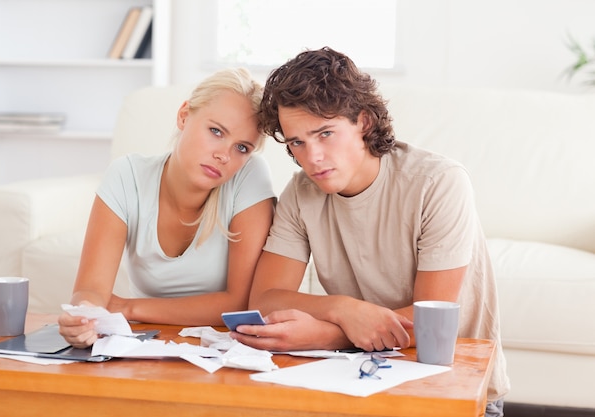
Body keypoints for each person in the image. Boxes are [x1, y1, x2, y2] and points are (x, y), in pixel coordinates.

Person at [230, 47, 509, 416]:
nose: (311, 157)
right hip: (358, 380)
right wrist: (342, 309)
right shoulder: (302, 193)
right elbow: (265, 300)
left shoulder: (438, 182)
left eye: (325, 133)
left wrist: (332, 334)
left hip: (451, 386)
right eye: (297, 142)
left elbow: (429, 322)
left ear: (363, 122)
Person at [58, 68, 276, 349]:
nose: (224, 155)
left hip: (223, 347)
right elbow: (90, 291)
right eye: (216, 131)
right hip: (149, 344)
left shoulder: (249, 176)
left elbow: (241, 303)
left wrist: (128, 308)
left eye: (242, 148)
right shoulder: (128, 176)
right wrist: (83, 318)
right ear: (184, 115)